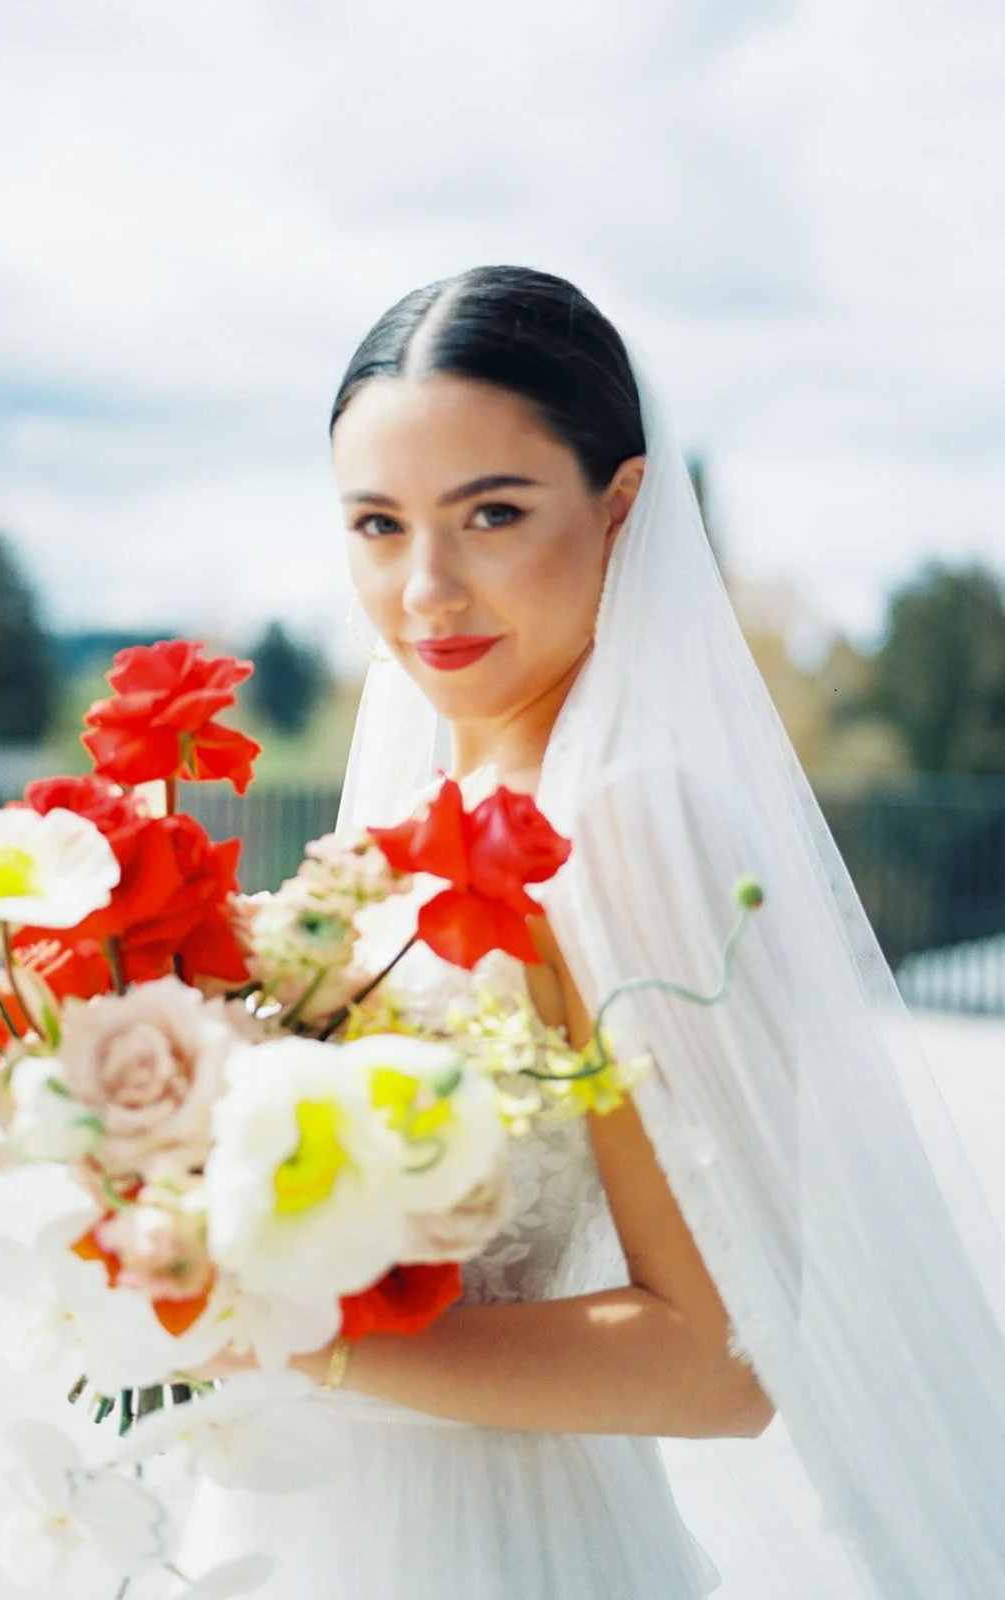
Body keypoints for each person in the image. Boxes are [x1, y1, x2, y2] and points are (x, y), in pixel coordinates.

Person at [176, 266, 1005, 1598]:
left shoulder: (623, 823)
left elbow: (722, 1363)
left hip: (486, 1542)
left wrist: (292, 1338)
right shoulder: (414, 815)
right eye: (378, 526)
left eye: (491, 514)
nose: (427, 589)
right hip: (307, 1514)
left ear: (620, 509)